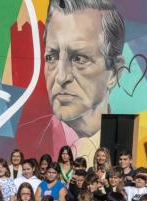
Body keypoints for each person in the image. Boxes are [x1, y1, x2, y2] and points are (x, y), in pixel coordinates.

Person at [43, 0, 124, 150]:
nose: (61, 77)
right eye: (51, 57)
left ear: (114, 72)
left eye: (79, 58)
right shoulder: (37, 143)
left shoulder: (120, 144)